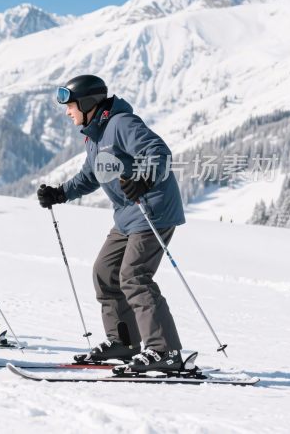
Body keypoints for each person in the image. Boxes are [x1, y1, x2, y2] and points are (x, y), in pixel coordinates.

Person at [37, 75, 187, 373]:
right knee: (105, 273)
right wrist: (61, 193)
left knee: (134, 275)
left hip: (152, 210)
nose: (67, 112)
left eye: (71, 105)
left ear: (88, 103)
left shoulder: (121, 124)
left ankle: (165, 352)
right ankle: (124, 341)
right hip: (127, 216)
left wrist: (144, 178)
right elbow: (89, 177)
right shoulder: (96, 135)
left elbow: (158, 152)